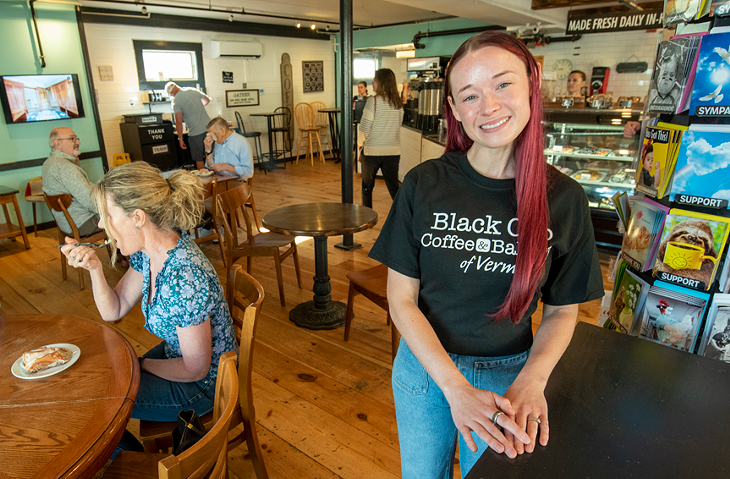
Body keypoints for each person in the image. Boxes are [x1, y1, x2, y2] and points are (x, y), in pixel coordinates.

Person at [368, 31, 603, 478]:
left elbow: (561, 312)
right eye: (470, 95)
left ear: (532, 88)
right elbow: (400, 300)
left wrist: (533, 380)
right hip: (425, 368)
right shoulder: (423, 184)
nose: (489, 106)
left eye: (503, 84)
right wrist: (454, 387)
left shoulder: (565, 198)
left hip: (510, 377)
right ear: (454, 109)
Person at [59, 162, 238, 427]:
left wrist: (143, 365)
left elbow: (195, 369)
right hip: (178, 358)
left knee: (94, 399)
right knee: (102, 377)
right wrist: (94, 268)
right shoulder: (151, 252)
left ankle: (128, 463)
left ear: (138, 218)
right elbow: (114, 310)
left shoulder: (184, 278)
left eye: (107, 215)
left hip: (205, 385)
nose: (100, 223)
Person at [42, 127, 102, 236]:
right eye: (72, 139)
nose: (78, 142)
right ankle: (124, 250)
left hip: (66, 224)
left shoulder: (48, 163)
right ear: (58, 143)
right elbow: (90, 202)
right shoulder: (65, 167)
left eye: (76, 138)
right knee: (125, 213)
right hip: (82, 223)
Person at [358, 68, 404, 208]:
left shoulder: (373, 101)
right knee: (393, 187)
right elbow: (398, 126)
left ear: (381, 82)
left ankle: (367, 214)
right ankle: (402, 214)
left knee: (367, 187)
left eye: (375, 80)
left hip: (372, 152)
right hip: (393, 152)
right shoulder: (398, 103)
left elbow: (364, 127)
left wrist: (360, 146)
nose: (372, 82)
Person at [165, 82, 212, 169]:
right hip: (210, 130)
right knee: (211, 155)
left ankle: (204, 180)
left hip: (195, 133)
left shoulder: (176, 101)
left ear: (171, 93)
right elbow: (207, 100)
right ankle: (215, 180)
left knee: (199, 159)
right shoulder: (192, 90)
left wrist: (180, 139)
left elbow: (178, 122)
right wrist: (197, 108)